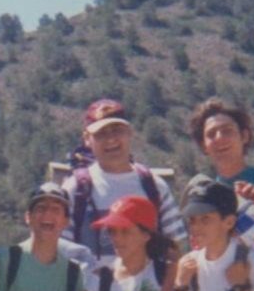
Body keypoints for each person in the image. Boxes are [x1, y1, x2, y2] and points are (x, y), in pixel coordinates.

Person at [59, 98, 186, 267]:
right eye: (101, 133)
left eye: (117, 130)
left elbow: (176, 249)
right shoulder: (75, 189)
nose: (111, 139)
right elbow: (61, 250)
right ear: (87, 139)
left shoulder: (154, 187)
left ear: (129, 132)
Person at [77, 196, 175, 291]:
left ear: (146, 235)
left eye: (125, 231)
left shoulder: (165, 273)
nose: (116, 238)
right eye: (112, 231)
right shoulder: (101, 277)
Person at [188, 98, 254, 201]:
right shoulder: (207, 199)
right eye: (211, 134)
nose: (219, 138)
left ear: (244, 136)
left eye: (227, 130)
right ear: (204, 146)